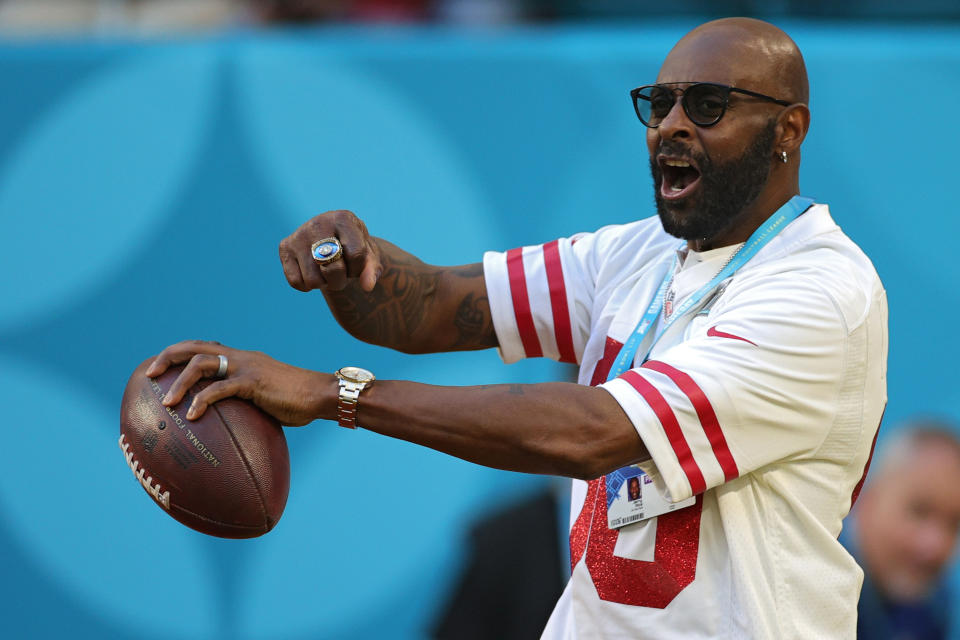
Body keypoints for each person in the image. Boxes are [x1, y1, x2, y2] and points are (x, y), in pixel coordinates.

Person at [146, 17, 888, 638]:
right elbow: (432, 304)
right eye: (659, 105)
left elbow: (591, 433)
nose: (671, 127)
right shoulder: (640, 253)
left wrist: (334, 395)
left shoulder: (818, 290)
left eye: (708, 105)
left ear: (789, 128)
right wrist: (353, 267)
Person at [841, 422, 960, 640]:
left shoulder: (933, 604)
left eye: (954, 523)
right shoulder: (810, 583)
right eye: (919, 512)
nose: (936, 545)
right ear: (867, 500)